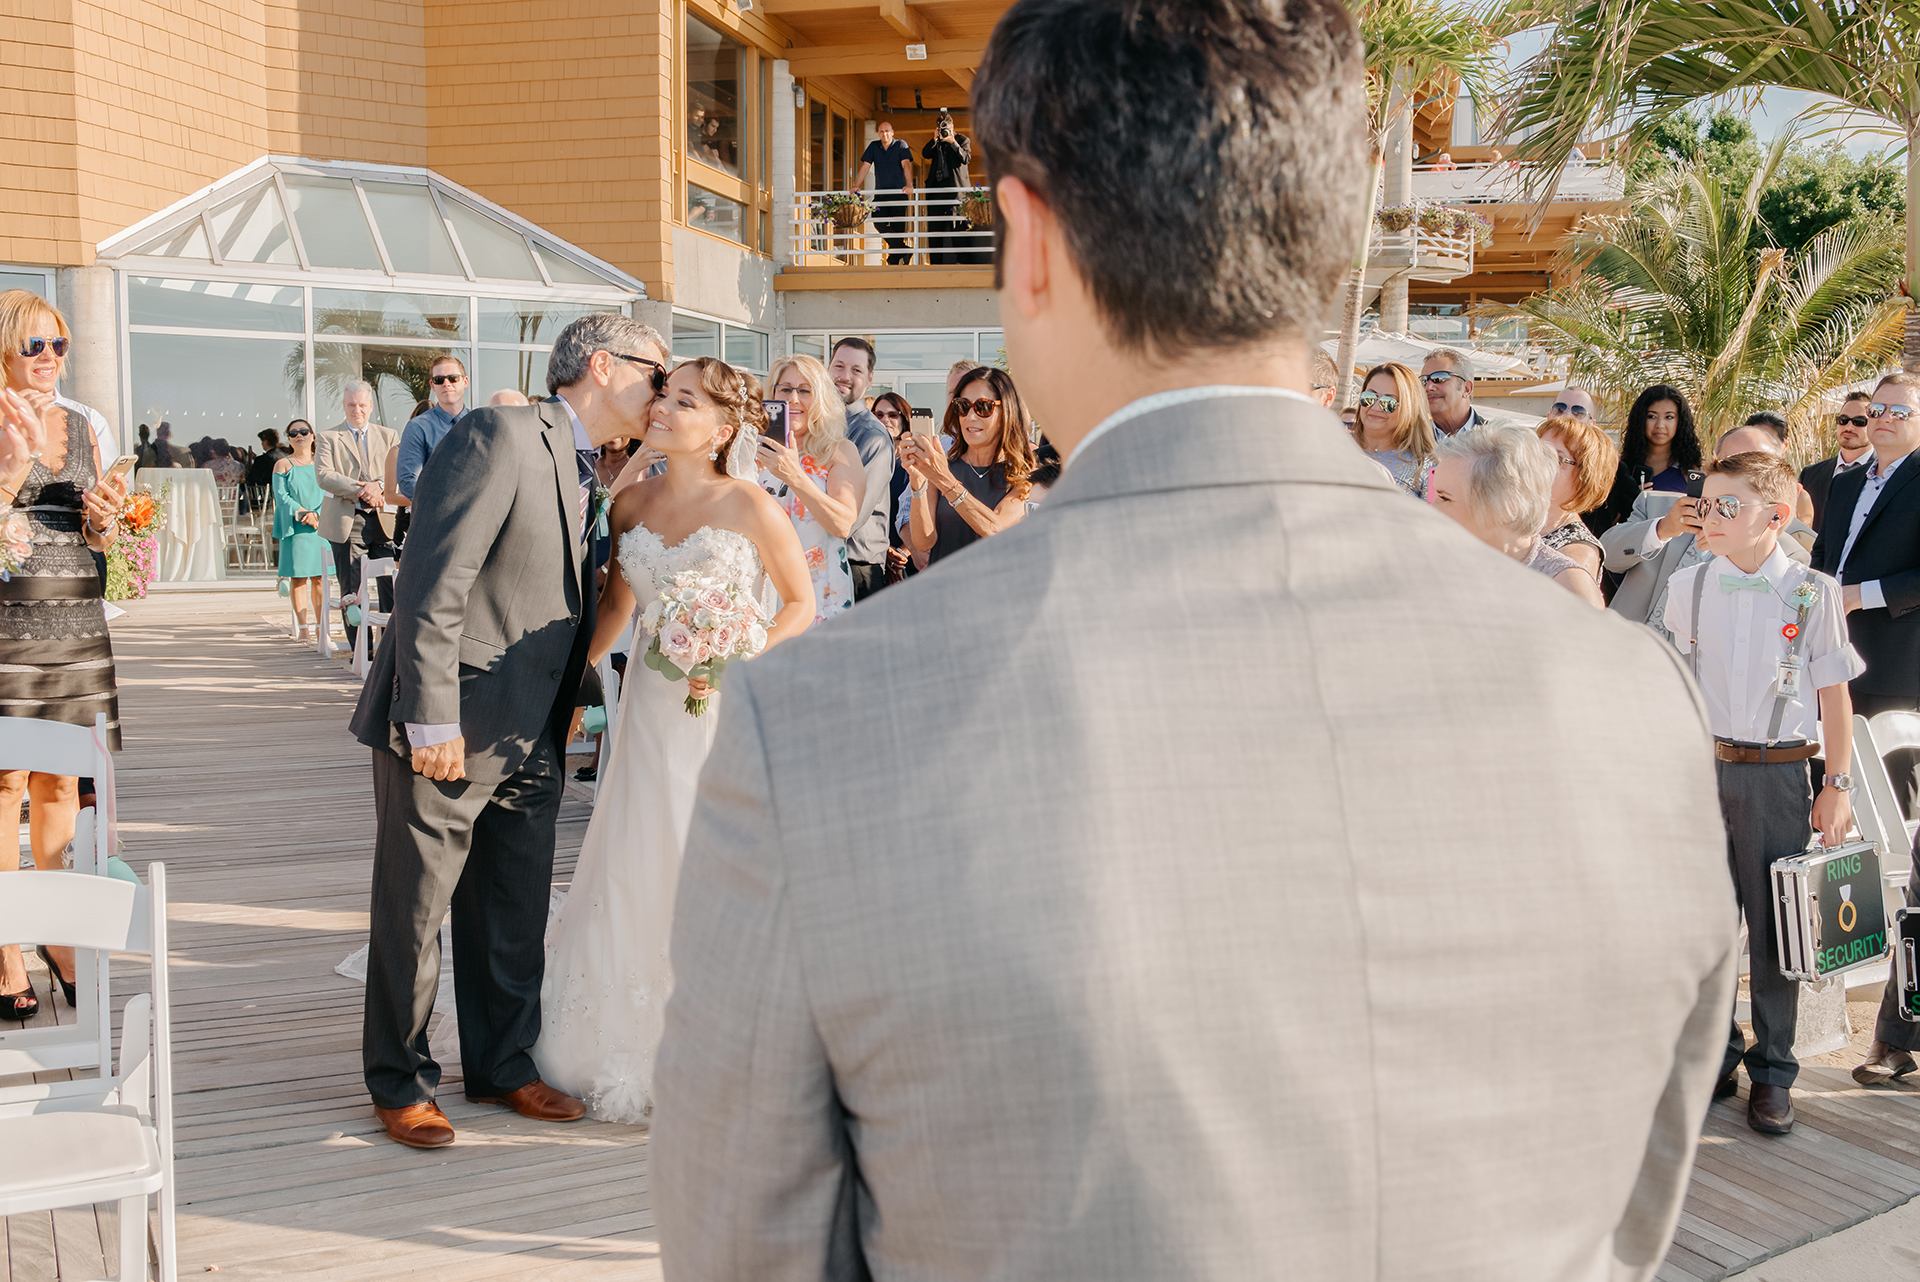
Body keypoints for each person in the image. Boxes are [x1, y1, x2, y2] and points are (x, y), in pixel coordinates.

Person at [652, 3, 1735, 1276]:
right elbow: (1633, 1218)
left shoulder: (817, 727)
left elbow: (752, 1251)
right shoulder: (1631, 701)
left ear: (1030, 241)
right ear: (1327, 242)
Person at [347, 314, 668, 1150]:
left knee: (513, 907)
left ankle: (502, 1065)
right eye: (656, 374)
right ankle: (401, 1080)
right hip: (453, 720)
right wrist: (431, 717)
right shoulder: (501, 432)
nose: (663, 391)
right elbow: (432, 579)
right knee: (416, 908)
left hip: (534, 726)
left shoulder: (584, 462)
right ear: (604, 365)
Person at [531, 357, 814, 1123]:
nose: (663, 408)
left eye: (683, 400)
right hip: (650, 712)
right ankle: (611, 1036)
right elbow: (617, 611)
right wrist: (560, 686)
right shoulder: (631, 507)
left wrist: (741, 648)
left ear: (723, 430)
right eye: (665, 395)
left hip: (722, 713)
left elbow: (799, 603)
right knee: (637, 854)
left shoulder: (753, 506)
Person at [1665, 450, 1861, 1135]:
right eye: (1705, 504)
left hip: (1779, 772)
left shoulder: (1813, 590)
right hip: (1701, 770)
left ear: (1775, 517)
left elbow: (1836, 697)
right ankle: (1713, 1056)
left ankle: (1774, 1068)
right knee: (1708, 924)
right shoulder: (1689, 585)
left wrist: (1834, 784)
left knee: (1775, 928)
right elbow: (1675, 687)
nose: (1709, 517)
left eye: (1727, 506)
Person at [0, 290, 127, 1020]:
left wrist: (108, 523)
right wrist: (14, 469)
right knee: (5, 781)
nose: (50, 359)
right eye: (35, 347)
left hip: (74, 612)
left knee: (56, 784)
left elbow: (104, 540)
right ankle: (6, 948)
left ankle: (55, 936)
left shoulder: (84, 424)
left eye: (59, 346)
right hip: (9, 616)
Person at [1804, 373, 1920, 1088]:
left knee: (1903, 854)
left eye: (1896, 411)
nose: (1879, 420)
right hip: (1828, 679)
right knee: (1834, 835)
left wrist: (1859, 596)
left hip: (1899, 685)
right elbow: (1821, 566)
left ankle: (1894, 1029)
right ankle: (1832, 981)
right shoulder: (1841, 483)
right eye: (1872, 410)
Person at [1602, 424, 1812, 638]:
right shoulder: (1656, 505)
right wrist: (1662, 529)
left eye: (1753, 465)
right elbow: (1605, 556)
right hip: (1622, 646)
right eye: (1729, 463)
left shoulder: (1789, 552)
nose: (1738, 473)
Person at [1430, 425, 1604, 606]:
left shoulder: (1566, 586)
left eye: (1444, 498)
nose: (1431, 508)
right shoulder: (1439, 562)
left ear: (1506, 506)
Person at [761, 354, 863, 626]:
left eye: (805, 390)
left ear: (821, 398)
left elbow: (842, 524)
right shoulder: (754, 451)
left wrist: (795, 476)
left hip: (820, 594)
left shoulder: (839, 451)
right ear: (772, 394)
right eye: (785, 389)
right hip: (761, 594)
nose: (793, 399)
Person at [901, 364, 1033, 564]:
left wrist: (944, 480)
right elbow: (923, 542)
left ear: (1006, 411)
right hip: (944, 588)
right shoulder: (944, 466)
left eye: (983, 407)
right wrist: (918, 481)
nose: (970, 417)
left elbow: (995, 528)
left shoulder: (1023, 472)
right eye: (963, 406)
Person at [315, 380, 400, 650]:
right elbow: (324, 476)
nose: (357, 410)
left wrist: (380, 487)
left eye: (362, 405)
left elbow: (400, 474)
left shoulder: (390, 436)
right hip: (347, 520)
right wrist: (363, 489)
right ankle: (362, 651)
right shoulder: (328, 437)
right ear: (344, 405)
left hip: (385, 521)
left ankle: (389, 650)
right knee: (352, 590)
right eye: (351, 404)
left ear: (371, 406)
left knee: (391, 586)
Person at [827, 337, 896, 600]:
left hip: (857, 572)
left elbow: (850, 519)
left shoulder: (872, 436)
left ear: (869, 379)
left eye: (856, 370)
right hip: (821, 562)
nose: (844, 376)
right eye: (839, 366)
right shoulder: (817, 427)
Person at [1595, 383, 1703, 532]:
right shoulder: (1618, 469)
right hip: (1629, 550)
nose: (1660, 425)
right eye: (1651, 416)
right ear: (1640, 420)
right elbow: (1605, 526)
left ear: (1680, 421)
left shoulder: (1693, 471)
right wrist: (1627, 498)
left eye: (1669, 417)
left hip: (1677, 552)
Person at [1535, 413, 1615, 585]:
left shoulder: (1577, 553)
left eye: (1556, 458)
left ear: (1585, 478)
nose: (1539, 462)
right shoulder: (1510, 518)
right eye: (1538, 451)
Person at [270, 420, 328, 641]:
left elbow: (330, 491)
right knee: (298, 578)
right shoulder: (282, 465)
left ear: (313, 436)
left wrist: (318, 515)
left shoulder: (323, 463)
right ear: (289, 439)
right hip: (295, 526)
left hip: (320, 526)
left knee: (320, 578)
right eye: (293, 433)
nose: (299, 435)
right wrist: (305, 513)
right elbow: (281, 497)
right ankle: (303, 627)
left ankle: (322, 626)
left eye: (304, 431)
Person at [1347, 360, 1435, 496]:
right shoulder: (1335, 447)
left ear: (1409, 409)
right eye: (1369, 397)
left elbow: (1435, 516)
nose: (1375, 407)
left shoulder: (1426, 467)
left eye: (1388, 403)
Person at [396, 354, 469, 500]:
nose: (446, 384)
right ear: (432, 385)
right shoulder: (417, 427)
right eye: (439, 380)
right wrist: (443, 503)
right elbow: (407, 480)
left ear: (465, 381)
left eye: (453, 378)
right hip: (435, 515)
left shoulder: (479, 423)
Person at [1800, 390, 1873, 534]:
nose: (1849, 427)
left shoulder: (1886, 473)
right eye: (1843, 420)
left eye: (1859, 422)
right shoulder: (1810, 475)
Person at [856, 121, 916, 266]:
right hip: (881, 195)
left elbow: (906, 164)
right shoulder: (874, 147)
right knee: (878, 222)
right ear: (878, 133)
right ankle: (904, 250)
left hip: (899, 194)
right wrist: (855, 185)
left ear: (892, 132)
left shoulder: (901, 145)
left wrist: (909, 184)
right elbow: (865, 166)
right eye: (882, 131)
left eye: (887, 131)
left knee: (898, 229)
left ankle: (894, 261)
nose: (884, 134)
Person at [922, 107, 973, 265]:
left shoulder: (962, 140)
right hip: (936, 191)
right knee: (935, 228)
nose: (945, 132)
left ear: (953, 127)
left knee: (958, 228)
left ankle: (962, 263)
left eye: (947, 129)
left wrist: (953, 142)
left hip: (955, 192)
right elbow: (925, 153)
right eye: (942, 129)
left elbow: (966, 158)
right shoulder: (937, 143)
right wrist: (935, 139)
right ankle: (935, 264)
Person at [1420, 347, 1502, 439]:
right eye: (1424, 380)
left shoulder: (1496, 439)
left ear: (1466, 389)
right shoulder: (1408, 441)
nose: (1428, 387)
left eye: (1439, 378)